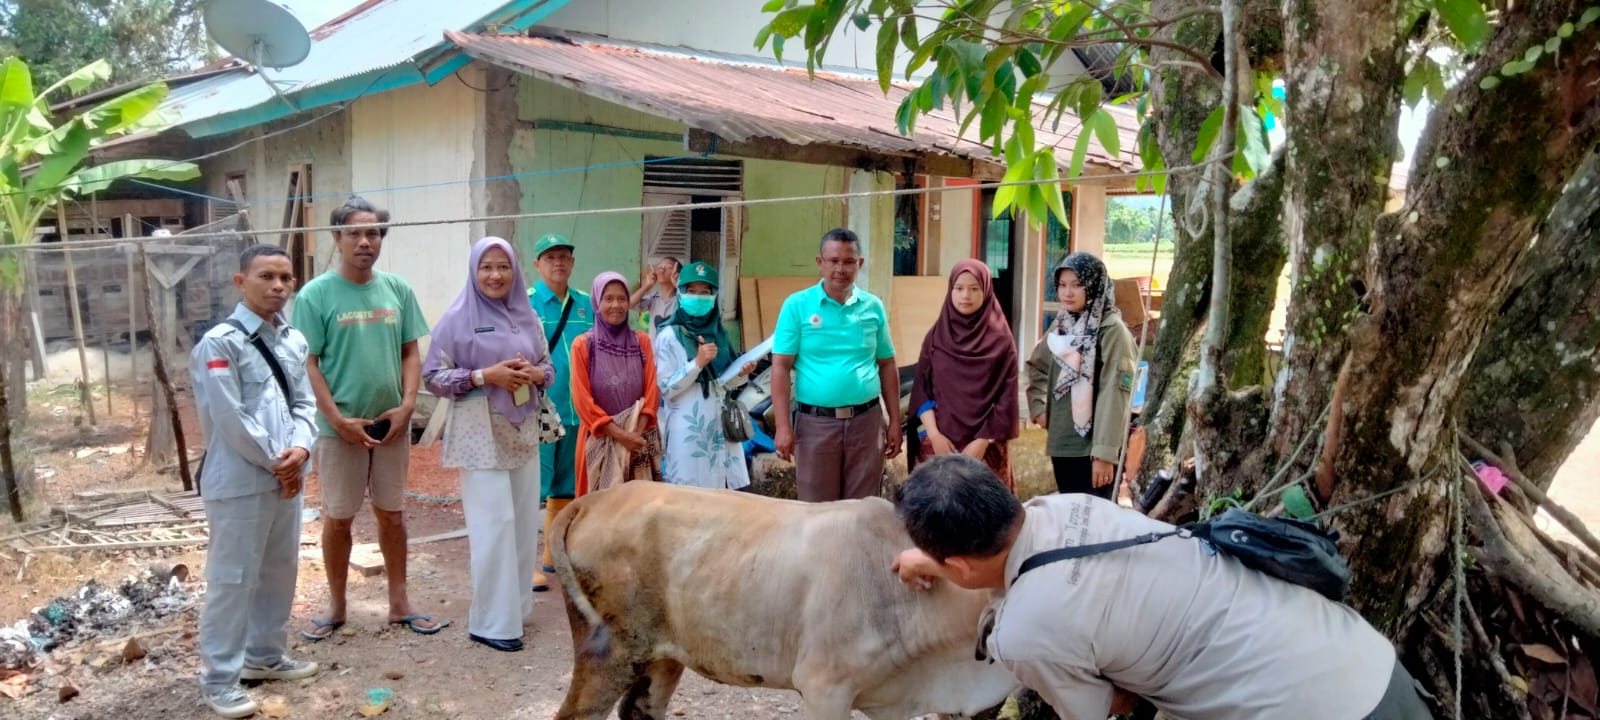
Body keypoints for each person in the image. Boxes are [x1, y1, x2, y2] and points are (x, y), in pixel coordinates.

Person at [890, 454, 1436, 720]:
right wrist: (938, 562)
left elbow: (1101, 709)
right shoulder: (1069, 508)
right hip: (1373, 667)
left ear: (959, 567)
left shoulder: (1024, 634)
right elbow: (1042, 567)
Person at [292, 196, 447, 640]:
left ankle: (400, 603)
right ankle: (337, 606)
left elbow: (409, 352)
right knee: (338, 518)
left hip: (391, 425)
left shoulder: (396, 289)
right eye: (355, 233)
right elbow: (310, 363)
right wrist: (337, 419)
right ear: (337, 238)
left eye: (374, 233)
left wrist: (408, 406)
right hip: (339, 430)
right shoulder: (315, 295)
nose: (365, 241)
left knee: (392, 515)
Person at [191, 245, 321, 718]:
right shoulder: (220, 343)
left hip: (287, 476)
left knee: (278, 569)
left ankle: (264, 655)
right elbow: (230, 417)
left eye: (286, 277)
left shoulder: (293, 339)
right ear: (239, 282)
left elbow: (305, 404)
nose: (279, 286)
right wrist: (278, 461)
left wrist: (302, 450)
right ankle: (220, 679)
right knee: (232, 579)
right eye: (266, 276)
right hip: (242, 482)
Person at [423, 237, 555, 653]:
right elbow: (433, 378)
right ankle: (491, 623)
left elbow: (549, 369)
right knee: (493, 527)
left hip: (523, 431)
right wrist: (484, 376)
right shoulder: (456, 319)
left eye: (503, 266)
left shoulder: (529, 318)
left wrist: (534, 374)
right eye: (486, 267)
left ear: (515, 271)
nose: (495, 275)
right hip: (479, 433)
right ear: (474, 272)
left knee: (519, 525)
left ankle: (515, 611)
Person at [770, 228, 902, 502]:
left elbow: (887, 364)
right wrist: (783, 427)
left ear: (860, 264)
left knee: (863, 509)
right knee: (817, 511)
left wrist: (895, 423)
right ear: (820, 262)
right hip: (816, 424)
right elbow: (781, 367)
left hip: (866, 423)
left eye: (848, 261)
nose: (840, 268)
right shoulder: (797, 305)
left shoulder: (873, 307)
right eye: (833, 260)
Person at [1025, 252, 1136, 499]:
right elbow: (1037, 366)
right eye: (1062, 285)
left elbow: (1115, 395)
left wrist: (1105, 453)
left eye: (1077, 285)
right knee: (1070, 518)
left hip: (1094, 449)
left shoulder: (1112, 331)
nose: (1068, 293)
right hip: (1063, 443)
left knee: (1096, 522)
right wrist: (1039, 408)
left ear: (1094, 286)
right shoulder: (1063, 324)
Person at [907, 258, 1019, 488]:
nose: (965, 295)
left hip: (985, 447)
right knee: (935, 514)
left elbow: (1006, 399)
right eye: (958, 288)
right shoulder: (936, 337)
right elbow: (922, 391)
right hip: (939, 444)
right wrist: (935, 435)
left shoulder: (1001, 341)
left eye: (974, 288)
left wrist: (982, 440)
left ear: (986, 291)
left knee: (984, 517)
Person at [526, 233, 592, 591]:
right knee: (534, 486)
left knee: (567, 487)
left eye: (564, 256)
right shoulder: (526, 304)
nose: (558, 263)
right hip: (540, 411)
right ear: (537, 264)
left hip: (578, 412)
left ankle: (555, 556)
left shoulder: (586, 304)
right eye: (550, 257)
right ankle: (527, 564)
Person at [654, 261, 757, 489]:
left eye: (705, 292)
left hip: (722, 429)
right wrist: (697, 364)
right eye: (691, 292)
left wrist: (742, 374)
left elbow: (724, 383)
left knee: (725, 497)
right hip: (688, 433)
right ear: (680, 293)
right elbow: (665, 388)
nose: (698, 297)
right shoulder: (669, 336)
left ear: (714, 296)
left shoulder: (719, 333)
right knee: (689, 500)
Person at [571, 272, 661, 495]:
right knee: (598, 511)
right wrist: (621, 435)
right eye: (608, 299)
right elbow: (583, 402)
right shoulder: (583, 345)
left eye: (622, 298)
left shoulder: (642, 342)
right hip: (598, 437)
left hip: (639, 439)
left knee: (639, 510)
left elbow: (651, 392)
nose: (616, 305)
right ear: (596, 302)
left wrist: (635, 434)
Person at [630, 256, 681, 331]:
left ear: (677, 274)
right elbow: (630, 304)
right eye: (660, 266)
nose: (662, 269)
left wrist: (678, 285)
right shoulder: (653, 298)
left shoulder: (682, 299)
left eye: (669, 267)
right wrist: (647, 285)